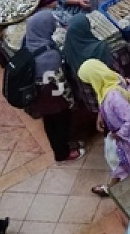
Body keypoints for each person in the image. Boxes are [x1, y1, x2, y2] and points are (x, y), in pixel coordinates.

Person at [81, 61, 130, 196]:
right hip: (123, 135)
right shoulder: (110, 80)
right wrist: (101, 114)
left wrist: (121, 134)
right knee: (124, 158)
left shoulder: (114, 97)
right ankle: (114, 184)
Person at [21, 10, 83, 163]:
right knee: (59, 122)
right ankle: (63, 153)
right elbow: (60, 83)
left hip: (38, 94)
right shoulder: (50, 56)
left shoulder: (27, 41)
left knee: (50, 123)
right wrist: (70, 102)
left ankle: (62, 147)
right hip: (52, 95)